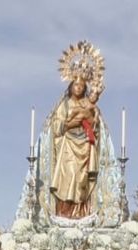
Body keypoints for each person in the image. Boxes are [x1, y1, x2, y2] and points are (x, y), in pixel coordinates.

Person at [48, 76, 102, 218]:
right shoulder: (64, 105)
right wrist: (70, 124)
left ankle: (80, 213)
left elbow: (97, 126)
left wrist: (91, 122)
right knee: (69, 175)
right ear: (71, 86)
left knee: (81, 179)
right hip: (68, 145)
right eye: (76, 84)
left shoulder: (88, 104)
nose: (79, 87)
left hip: (85, 144)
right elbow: (55, 126)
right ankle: (64, 212)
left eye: (82, 86)